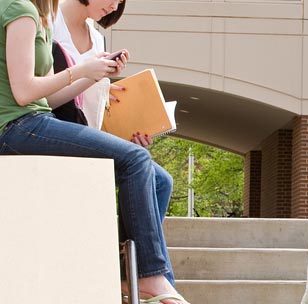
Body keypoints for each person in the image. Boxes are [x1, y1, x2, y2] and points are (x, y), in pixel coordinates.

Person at [0, 0, 186, 303]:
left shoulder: (41, 14)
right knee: (136, 159)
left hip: (36, 118)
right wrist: (80, 70)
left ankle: (136, 277)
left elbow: (49, 97)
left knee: (157, 178)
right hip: (17, 127)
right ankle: (147, 277)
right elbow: (23, 93)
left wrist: (92, 75)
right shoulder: (20, 9)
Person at [51, 0, 177, 286]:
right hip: (57, 125)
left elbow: (95, 110)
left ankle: (128, 271)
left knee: (161, 181)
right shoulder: (50, 21)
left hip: (89, 132)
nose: (115, 5)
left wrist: (128, 136)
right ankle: (152, 280)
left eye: (121, 2)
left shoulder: (97, 37)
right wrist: (90, 73)